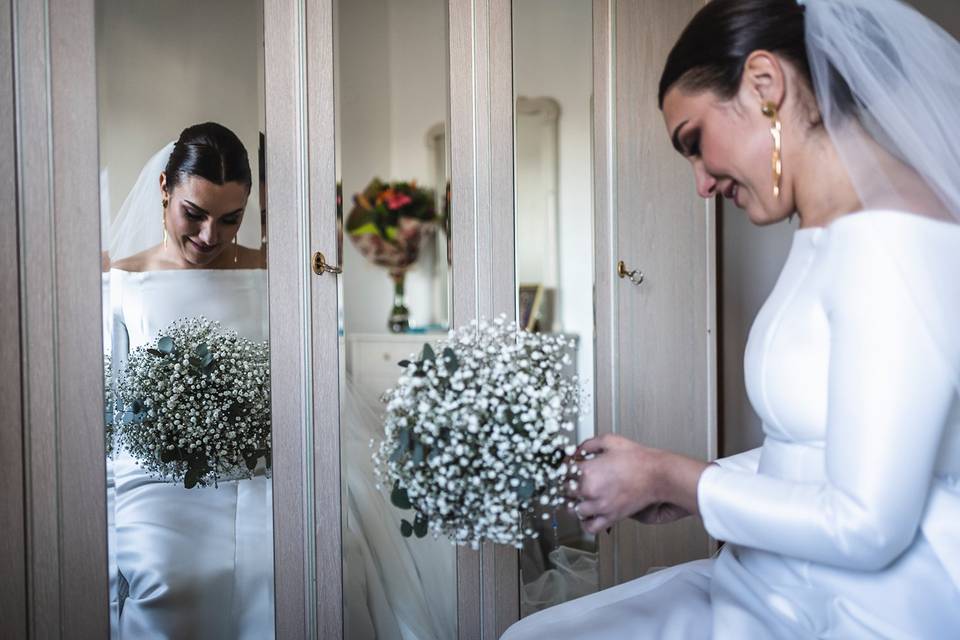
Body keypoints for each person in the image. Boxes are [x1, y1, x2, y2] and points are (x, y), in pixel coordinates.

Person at [502, 0, 960, 637]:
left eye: (694, 142)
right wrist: (686, 478)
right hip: (771, 575)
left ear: (765, 85)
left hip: (848, 605)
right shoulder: (827, 228)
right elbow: (818, 446)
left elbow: (868, 526)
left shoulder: (892, 240)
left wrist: (676, 479)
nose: (701, 183)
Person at [107, 122, 273, 639]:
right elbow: (109, 408)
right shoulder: (121, 282)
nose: (208, 238)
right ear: (164, 189)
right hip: (155, 476)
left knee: (286, 566)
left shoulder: (271, 275)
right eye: (193, 214)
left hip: (257, 473)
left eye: (230, 221)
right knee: (167, 576)